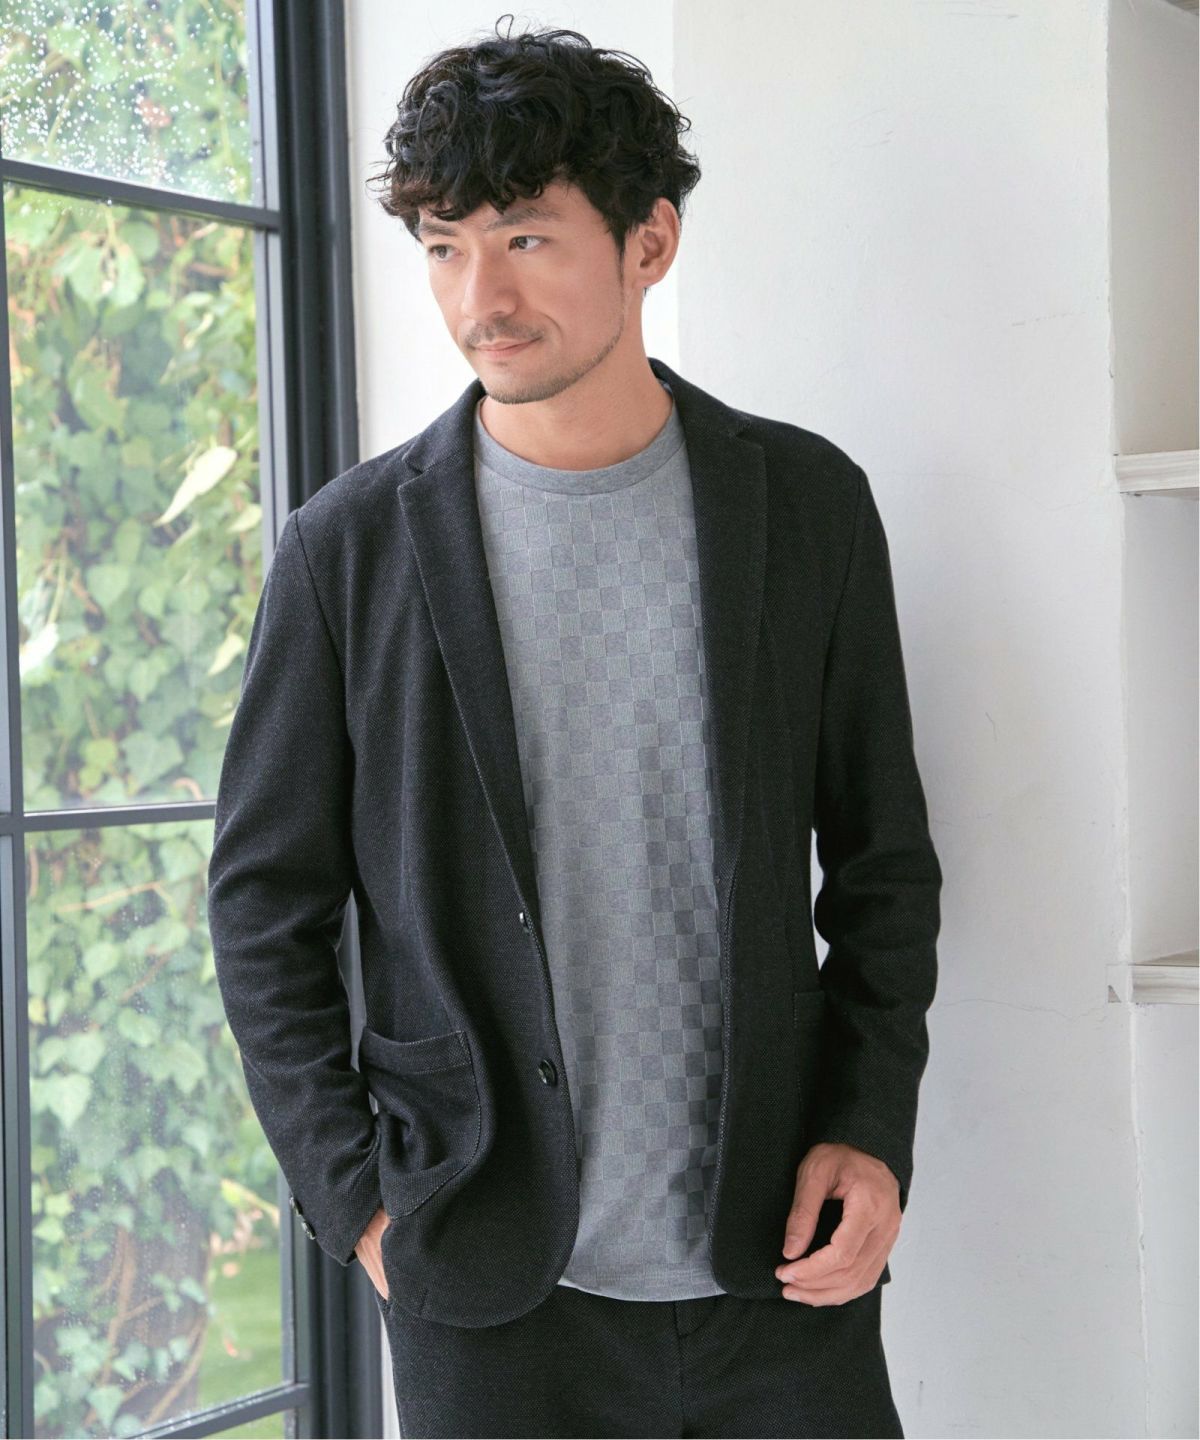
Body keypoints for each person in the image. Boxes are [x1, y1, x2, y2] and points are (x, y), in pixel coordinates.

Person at [208, 15, 942, 1438]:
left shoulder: (806, 507)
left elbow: (883, 864)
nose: (479, 295)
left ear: (648, 242)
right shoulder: (346, 553)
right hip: (491, 1286)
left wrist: (870, 1127)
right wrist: (356, 1202)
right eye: (443, 246)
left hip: (777, 1266)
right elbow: (262, 904)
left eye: (526, 238)